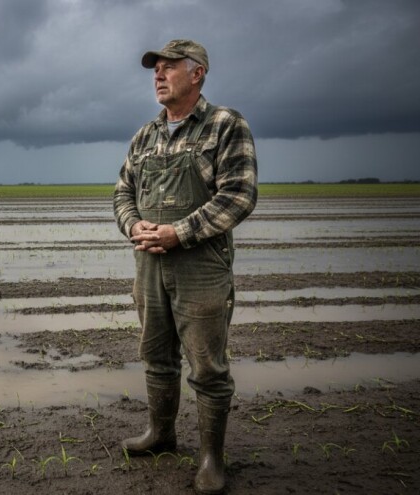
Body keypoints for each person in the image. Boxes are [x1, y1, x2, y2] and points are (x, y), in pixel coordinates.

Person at [113, 39, 257, 494]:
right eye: (155, 68)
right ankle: (161, 434)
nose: (158, 74)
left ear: (197, 74)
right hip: (149, 266)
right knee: (156, 356)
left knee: (208, 367)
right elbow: (121, 193)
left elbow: (239, 196)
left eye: (169, 67)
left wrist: (181, 232)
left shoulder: (225, 125)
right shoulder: (145, 135)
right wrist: (133, 226)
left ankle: (212, 457)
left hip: (202, 267)